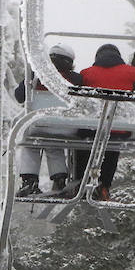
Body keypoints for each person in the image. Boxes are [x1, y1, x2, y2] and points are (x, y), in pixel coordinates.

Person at [69, 43, 135, 200]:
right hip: (119, 129)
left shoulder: (87, 73)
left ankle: (79, 182)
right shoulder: (133, 72)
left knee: (82, 145)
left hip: (91, 129)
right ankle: (104, 185)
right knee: (112, 147)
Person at [14, 43, 83, 197]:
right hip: (67, 127)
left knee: (31, 145)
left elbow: (19, 96)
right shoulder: (76, 79)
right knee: (54, 145)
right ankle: (59, 180)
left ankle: (29, 181)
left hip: (40, 124)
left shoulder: (37, 75)